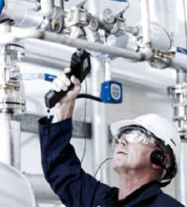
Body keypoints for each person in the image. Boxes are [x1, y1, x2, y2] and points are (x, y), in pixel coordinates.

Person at [38, 68, 184, 207]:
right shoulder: (100, 200)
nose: (122, 141)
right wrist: (64, 108)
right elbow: (61, 169)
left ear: (159, 159)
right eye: (121, 136)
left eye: (136, 136)